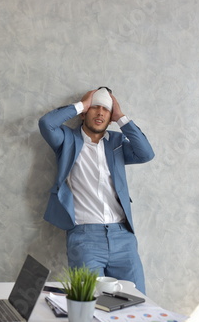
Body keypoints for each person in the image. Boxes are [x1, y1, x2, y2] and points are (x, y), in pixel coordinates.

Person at [38, 87, 154, 294]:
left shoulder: (117, 143)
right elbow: (46, 123)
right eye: (95, 107)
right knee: (90, 305)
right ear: (85, 113)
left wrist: (121, 117)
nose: (100, 112)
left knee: (136, 302)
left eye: (106, 110)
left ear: (110, 117)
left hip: (122, 237)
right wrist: (81, 104)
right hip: (85, 238)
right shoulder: (66, 140)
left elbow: (145, 153)